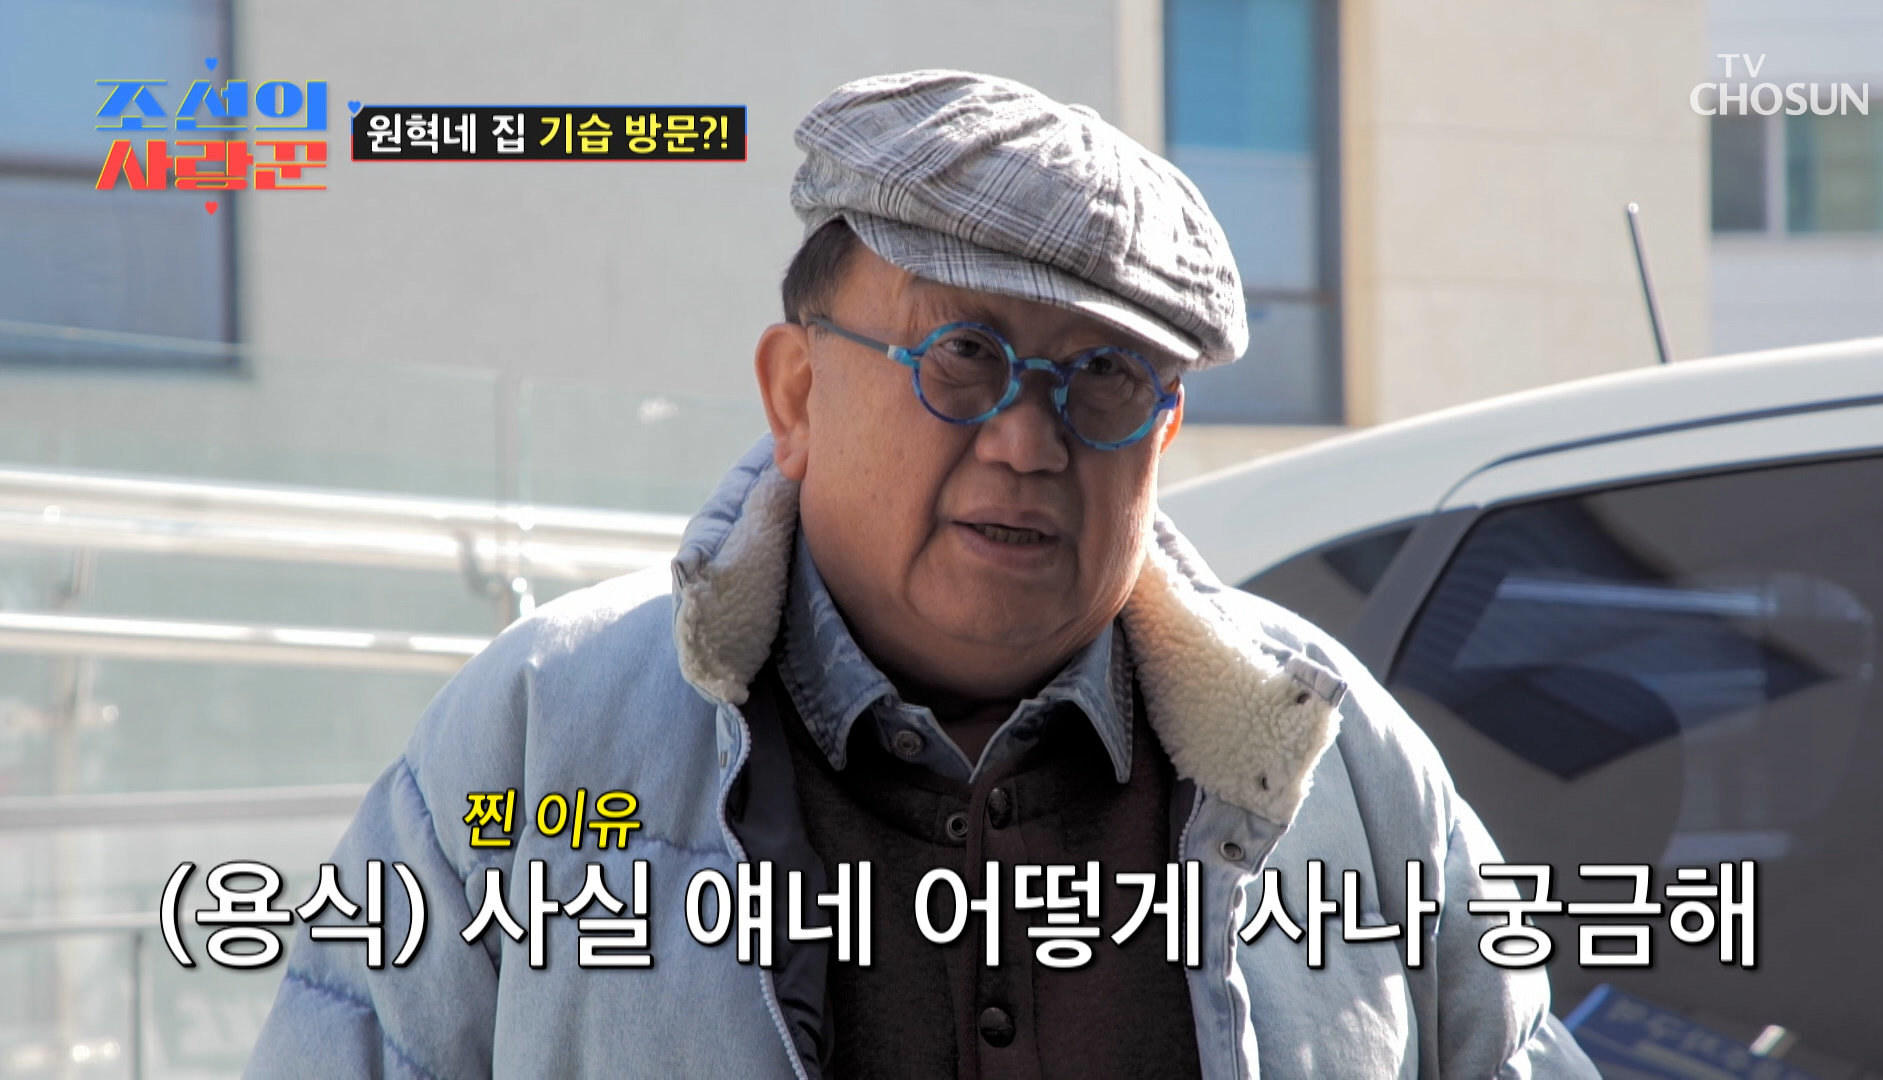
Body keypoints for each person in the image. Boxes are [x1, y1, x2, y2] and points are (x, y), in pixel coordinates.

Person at [247, 70, 1599, 1078]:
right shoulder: (544, 734)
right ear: (797, 391)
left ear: (1164, 431)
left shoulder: (1344, 764)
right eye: (964, 356)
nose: (1029, 442)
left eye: (1105, 377)